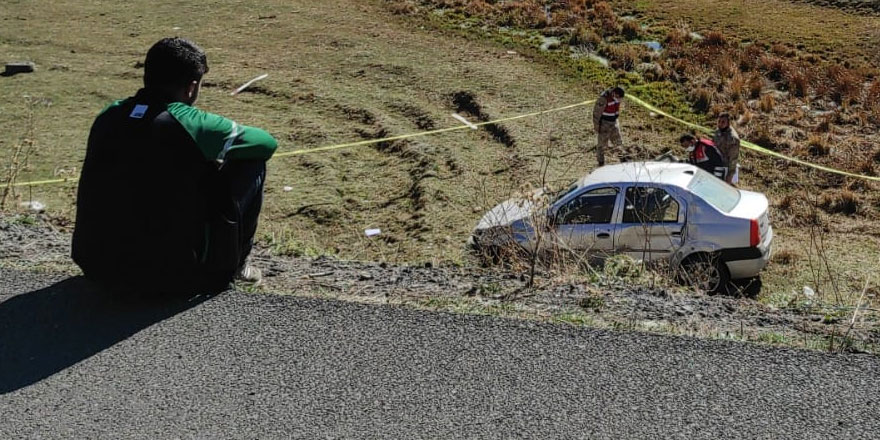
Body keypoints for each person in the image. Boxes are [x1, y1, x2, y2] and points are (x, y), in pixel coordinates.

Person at [72, 38, 277, 294]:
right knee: (252, 162)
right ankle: (235, 265)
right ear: (191, 87)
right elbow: (266, 143)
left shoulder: (109, 114)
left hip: (97, 269)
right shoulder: (191, 122)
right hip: (172, 279)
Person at [591, 86, 625, 167]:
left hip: (614, 122)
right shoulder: (604, 99)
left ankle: (624, 160)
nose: (619, 99)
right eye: (617, 97)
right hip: (604, 124)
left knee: (618, 142)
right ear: (614, 94)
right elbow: (596, 113)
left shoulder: (618, 98)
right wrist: (596, 125)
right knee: (601, 144)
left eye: (620, 98)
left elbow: (617, 109)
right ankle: (601, 163)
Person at [712, 113, 740, 185]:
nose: (720, 124)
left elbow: (733, 158)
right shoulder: (718, 131)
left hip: (726, 168)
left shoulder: (733, 138)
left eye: (723, 122)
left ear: (728, 123)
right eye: (719, 121)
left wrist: (730, 175)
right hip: (716, 163)